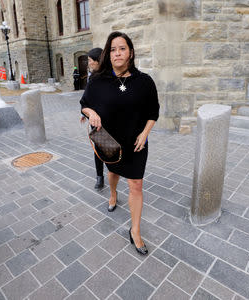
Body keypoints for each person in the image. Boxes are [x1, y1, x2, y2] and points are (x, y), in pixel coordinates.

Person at [80, 32, 159, 255]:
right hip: (109, 140)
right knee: (113, 172)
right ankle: (113, 194)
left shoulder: (144, 81)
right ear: (109, 53)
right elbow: (84, 104)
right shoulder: (97, 79)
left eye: (122, 48)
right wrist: (91, 112)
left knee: (136, 184)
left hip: (136, 143)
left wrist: (145, 133)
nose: (117, 53)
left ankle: (135, 231)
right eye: (113, 49)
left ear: (130, 52)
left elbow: (154, 112)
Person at [86, 47, 104, 190]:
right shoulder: (91, 78)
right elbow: (86, 100)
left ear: (98, 61)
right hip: (96, 121)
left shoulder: (112, 76)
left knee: (112, 147)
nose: (89, 63)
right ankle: (100, 177)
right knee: (98, 149)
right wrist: (86, 113)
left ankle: (114, 172)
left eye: (90, 60)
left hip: (111, 120)